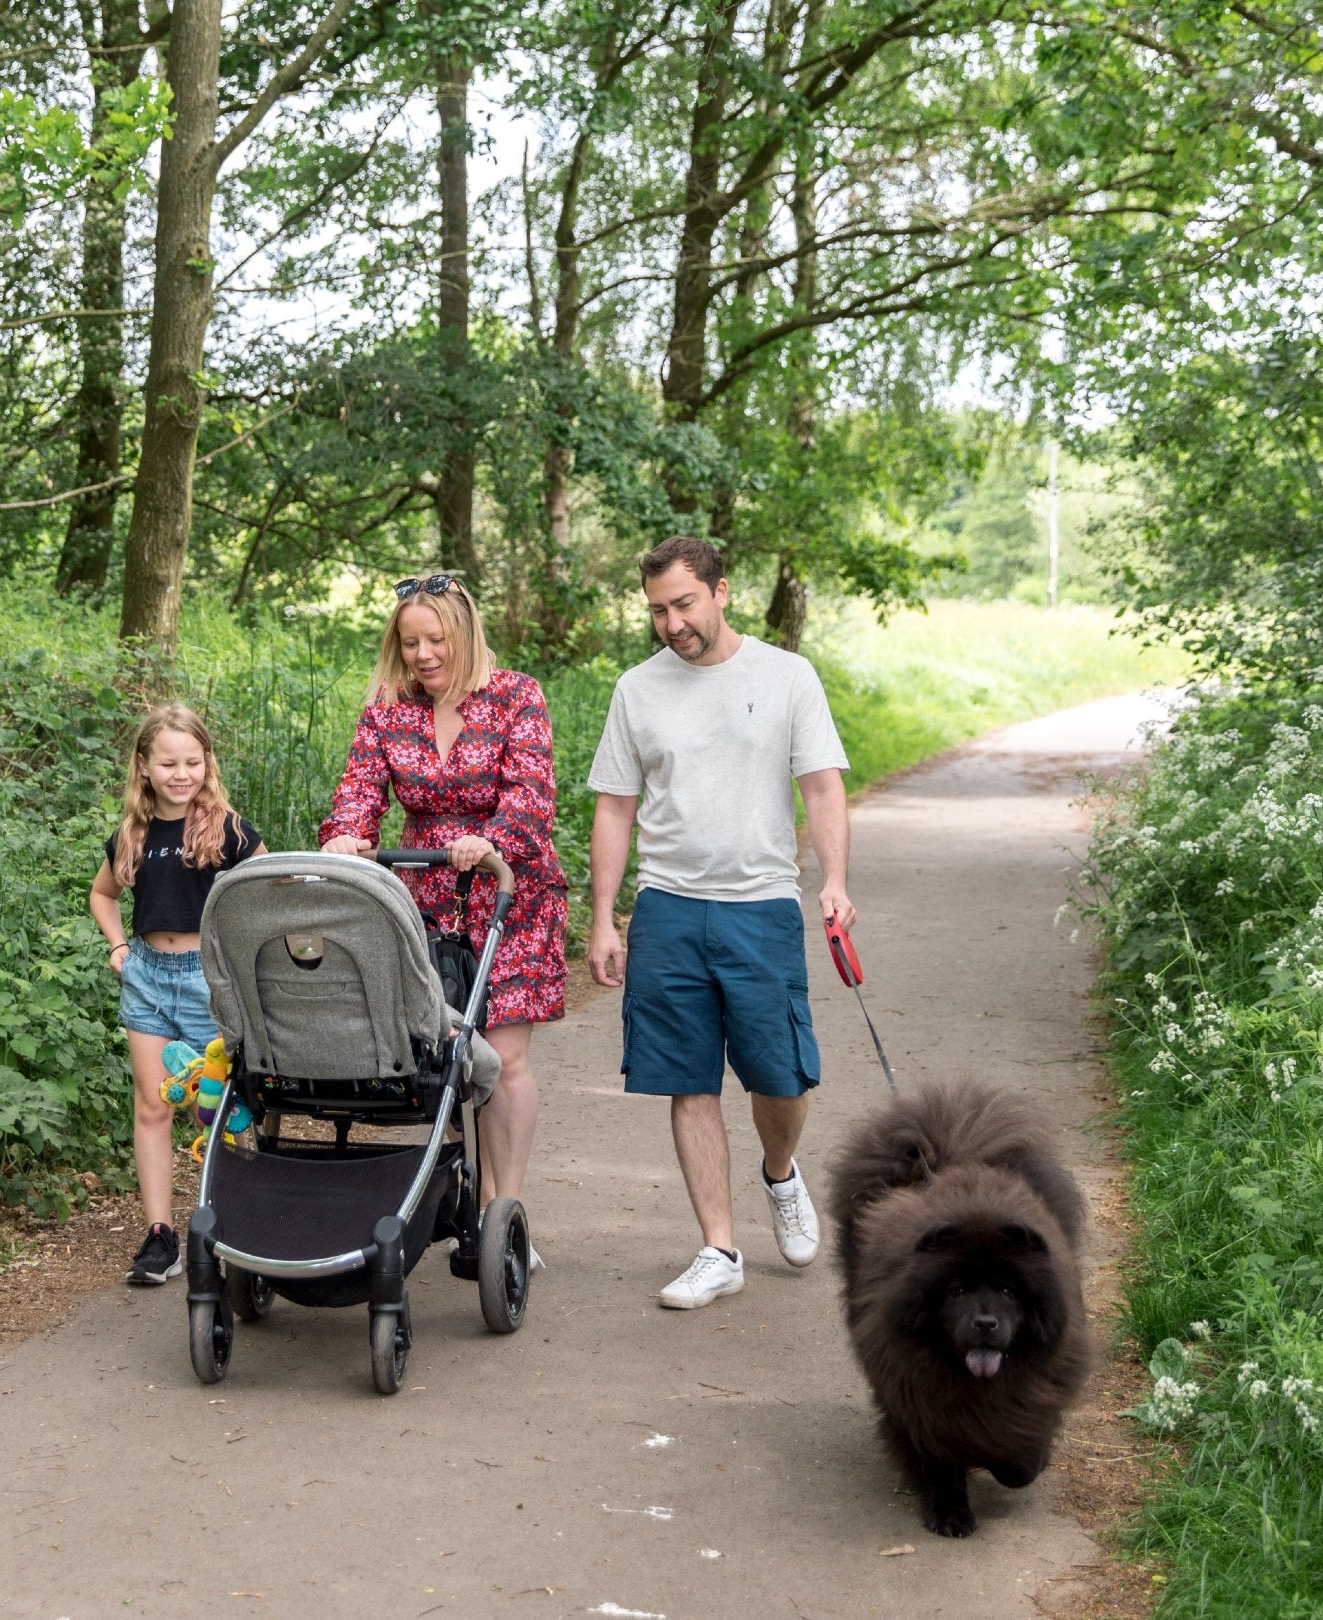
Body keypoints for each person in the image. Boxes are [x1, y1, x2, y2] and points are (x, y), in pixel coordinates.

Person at [588, 536, 855, 1309]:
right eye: (657, 610)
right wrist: (605, 918)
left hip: (762, 902)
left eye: (683, 604)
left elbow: (824, 787)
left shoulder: (786, 676)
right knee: (687, 1078)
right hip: (668, 904)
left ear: (721, 591)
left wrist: (834, 881)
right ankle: (719, 1247)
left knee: (781, 1076)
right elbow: (614, 805)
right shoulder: (637, 690)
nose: (671, 623)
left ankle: (780, 1172)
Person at [320, 573, 566, 1232]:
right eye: (410, 643)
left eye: (436, 640)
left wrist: (488, 839)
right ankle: (457, 1182)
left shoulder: (517, 696)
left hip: (509, 892)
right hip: (424, 895)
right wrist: (348, 835)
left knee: (505, 1058)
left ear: (464, 635)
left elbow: (533, 796)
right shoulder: (387, 707)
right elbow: (359, 788)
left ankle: (499, 1214)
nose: (424, 655)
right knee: (445, 1055)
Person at [88, 703, 265, 1286]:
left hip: (208, 981)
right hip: (146, 980)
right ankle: (161, 1237)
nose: (181, 773)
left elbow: (266, 892)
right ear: (144, 767)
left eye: (192, 761)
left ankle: (242, 1224)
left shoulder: (228, 829)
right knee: (153, 1104)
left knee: (216, 1106)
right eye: (168, 763)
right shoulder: (132, 834)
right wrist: (117, 947)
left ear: (206, 764)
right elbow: (104, 896)